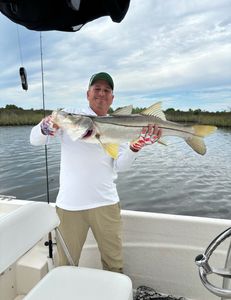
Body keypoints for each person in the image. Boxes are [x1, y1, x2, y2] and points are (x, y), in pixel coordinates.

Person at [30, 72, 162, 273]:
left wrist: (135, 147)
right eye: (97, 89)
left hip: (106, 203)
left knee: (114, 265)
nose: (101, 93)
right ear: (88, 93)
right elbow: (34, 140)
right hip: (69, 206)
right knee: (65, 265)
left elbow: (119, 166)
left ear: (112, 98)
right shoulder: (71, 116)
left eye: (106, 90)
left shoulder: (119, 124)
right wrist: (44, 128)